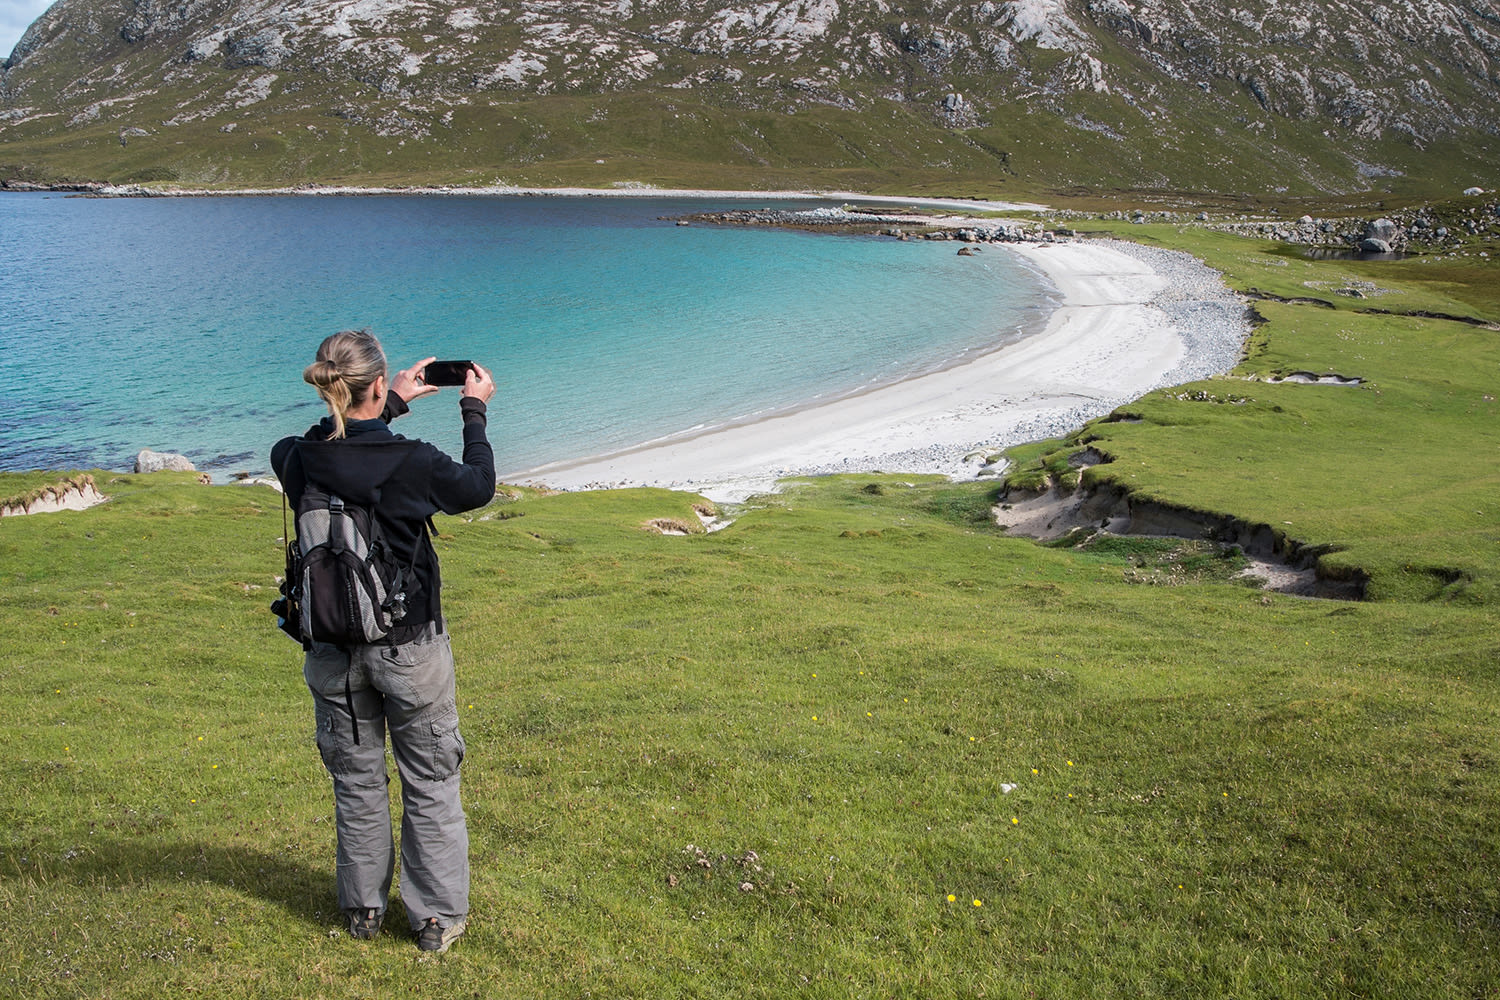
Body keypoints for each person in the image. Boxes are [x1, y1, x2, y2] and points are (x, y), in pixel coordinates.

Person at [270, 329, 496, 953]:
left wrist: (385, 402)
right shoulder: (412, 462)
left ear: (329, 387)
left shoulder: (295, 458)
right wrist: (472, 411)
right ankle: (434, 919)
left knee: (357, 780)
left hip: (331, 651)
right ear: (375, 383)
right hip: (410, 646)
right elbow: (478, 487)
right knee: (430, 779)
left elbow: (318, 441)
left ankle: (363, 909)